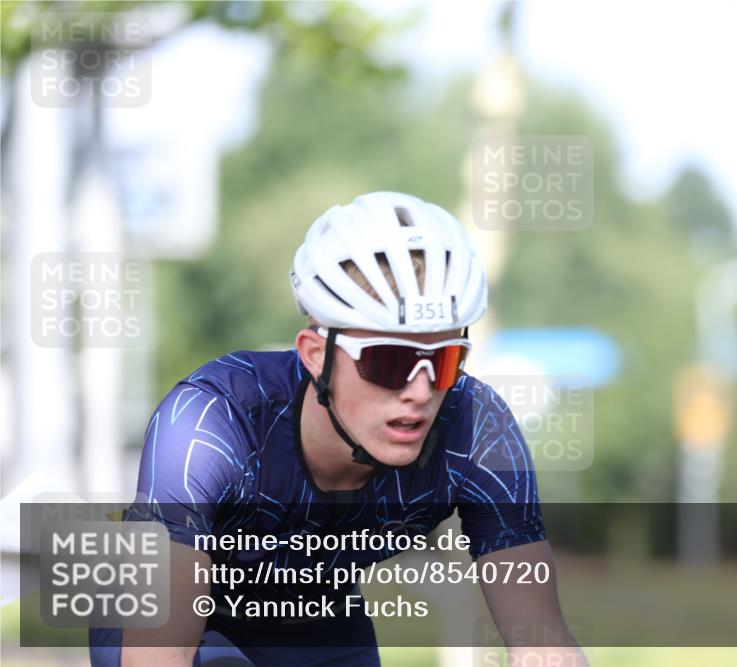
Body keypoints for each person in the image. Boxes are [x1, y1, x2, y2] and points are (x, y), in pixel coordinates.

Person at [90, 192, 584, 666]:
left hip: (314, 611)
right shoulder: (211, 421)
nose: (419, 390)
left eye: (444, 360)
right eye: (389, 362)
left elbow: (542, 641)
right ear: (315, 356)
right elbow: (158, 654)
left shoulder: (476, 429)